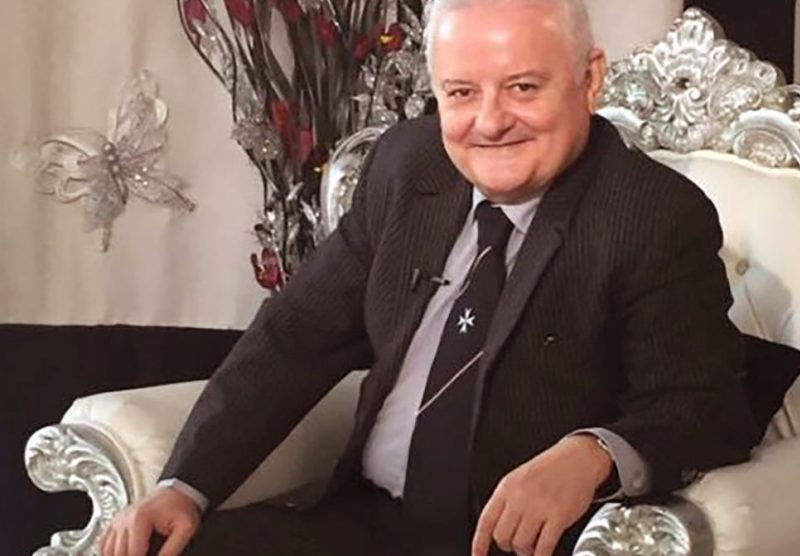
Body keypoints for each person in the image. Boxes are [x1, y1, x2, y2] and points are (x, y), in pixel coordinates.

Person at [101, 0, 764, 554]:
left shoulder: (652, 215)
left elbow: (705, 406)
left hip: (512, 546)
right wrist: (184, 487)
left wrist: (594, 454)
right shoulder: (407, 167)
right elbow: (296, 336)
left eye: (523, 88)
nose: (490, 122)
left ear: (589, 79)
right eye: (462, 93)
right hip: (366, 522)